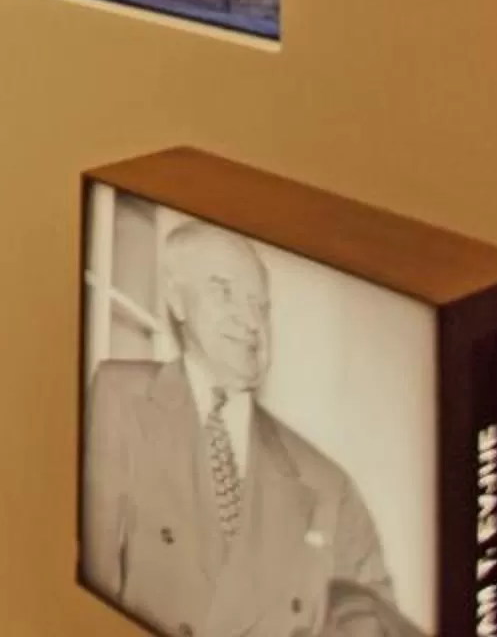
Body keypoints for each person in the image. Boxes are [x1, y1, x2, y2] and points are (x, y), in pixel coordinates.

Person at [82, 221, 400, 637]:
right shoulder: (120, 397)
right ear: (177, 300)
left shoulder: (327, 485)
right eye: (223, 290)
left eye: (261, 305)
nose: (251, 320)